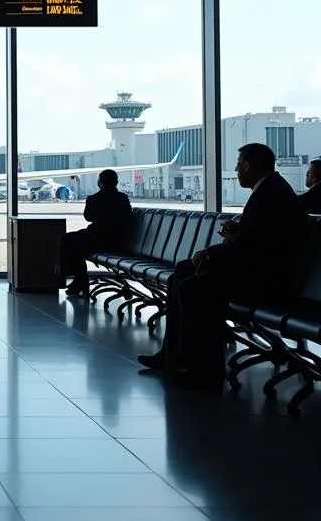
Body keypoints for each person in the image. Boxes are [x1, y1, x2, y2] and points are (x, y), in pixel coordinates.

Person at [139, 143, 307, 389]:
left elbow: (257, 246)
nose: (237, 171)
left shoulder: (272, 195)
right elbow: (260, 237)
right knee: (182, 274)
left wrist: (211, 252)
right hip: (257, 270)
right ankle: (172, 355)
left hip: (267, 280)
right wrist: (236, 232)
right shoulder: (271, 190)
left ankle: (205, 368)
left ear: (248, 166)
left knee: (192, 287)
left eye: (239, 166)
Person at [58, 169, 133, 297]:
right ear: (116, 182)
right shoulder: (123, 198)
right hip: (118, 241)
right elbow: (129, 217)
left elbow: (87, 217)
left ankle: (76, 278)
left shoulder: (94, 199)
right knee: (77, 244)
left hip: (97, 240)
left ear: (101, 183)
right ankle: (79, 281)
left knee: (67, 240)